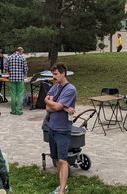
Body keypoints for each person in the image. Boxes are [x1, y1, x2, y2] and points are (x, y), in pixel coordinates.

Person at [45, 63, 77, 194]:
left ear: (63, 74)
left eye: (56, 74)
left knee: (63, 160)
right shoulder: (55, 86)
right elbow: (47, 106)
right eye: (53, 74)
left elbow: (56, 107)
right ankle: (62, 185)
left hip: (62, 130)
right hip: (51, 127)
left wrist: (57, 105)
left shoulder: (70, 89)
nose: (54, 77)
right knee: (56, 159)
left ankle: (62, 191)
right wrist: (62, 106)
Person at [4, 47, 27, 115]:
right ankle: (19, 110)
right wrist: (24, 75)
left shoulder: (9, 57)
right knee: (20, 94)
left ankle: (13, 110)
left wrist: (9, 73)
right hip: (20, 79)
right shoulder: (22, 58)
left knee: (13, 94)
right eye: (22, 52)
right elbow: (25, 69)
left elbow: (5, 67)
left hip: (12, 79)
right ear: (20, 51)